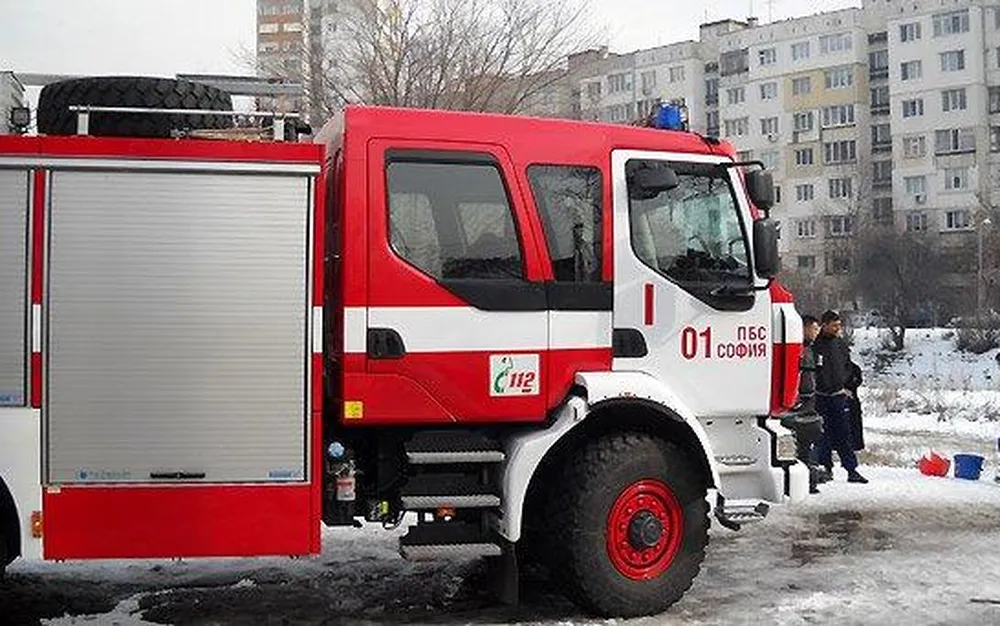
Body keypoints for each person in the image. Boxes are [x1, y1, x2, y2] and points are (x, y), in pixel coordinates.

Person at [813, 310, 869, 484]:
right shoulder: (815, 345)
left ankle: (851, 469)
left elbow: (847, 367)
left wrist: (847, 384)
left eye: (839, 325)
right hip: (820, 396)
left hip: (838, 396)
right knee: (823, 435)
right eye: (834, 325)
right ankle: (825, 468)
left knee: (844, 433)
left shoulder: (841, 344)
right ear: (825, 325)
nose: (838, 329)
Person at [781, 314, 825, 494]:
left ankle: (809, 477)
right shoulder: (798, 349)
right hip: (799, 401)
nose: (817, 332)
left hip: (809, 398)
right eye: (814, 328)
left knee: (809, 439)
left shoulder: (811, 349)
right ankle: (801, 479)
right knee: (800, 441)